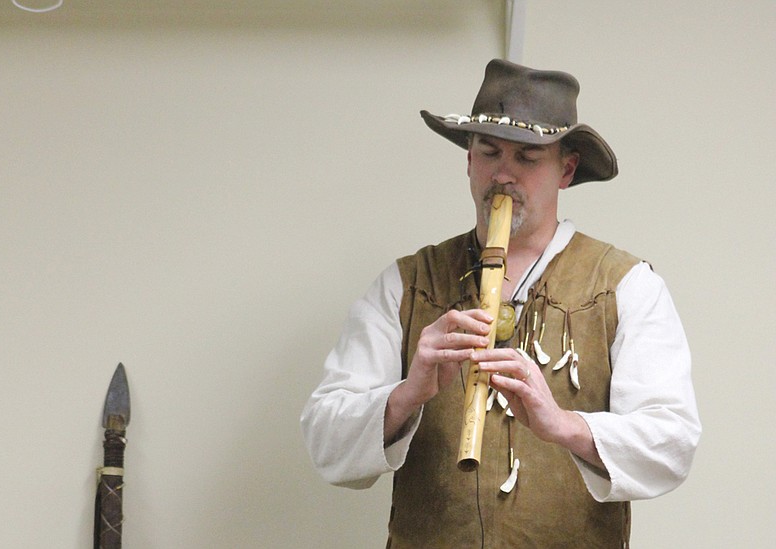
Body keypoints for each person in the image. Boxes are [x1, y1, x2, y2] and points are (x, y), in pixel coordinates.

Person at [300, 59, 701, 548]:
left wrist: (564, 426)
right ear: (469, 160)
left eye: (528, 158)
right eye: (489, 152)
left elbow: (672, 443)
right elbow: (324, 440)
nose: (503, 175)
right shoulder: (407, 284)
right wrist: (408, 394)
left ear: (566, 170)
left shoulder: (625, 285)